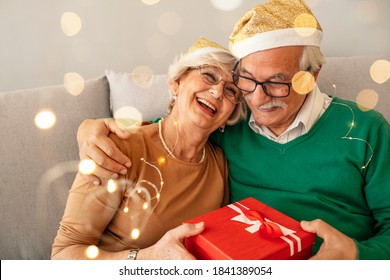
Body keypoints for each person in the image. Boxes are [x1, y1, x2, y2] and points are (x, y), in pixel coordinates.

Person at [76, 0, 390, 259]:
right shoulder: (229, 125)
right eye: (248, 81)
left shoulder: (365, 129)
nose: (258, 98)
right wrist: (91, 129)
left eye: (277, 83)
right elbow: (173, 134)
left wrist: (356, 255)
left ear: (313, 73)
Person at [51, 37, 246, 260]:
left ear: (230, 114)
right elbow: (63, 256)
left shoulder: (219, 163)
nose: (218, 92)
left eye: (231, 90)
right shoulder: (117, 148)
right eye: (209, 75)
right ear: (177, 83)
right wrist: (149, 257)